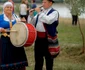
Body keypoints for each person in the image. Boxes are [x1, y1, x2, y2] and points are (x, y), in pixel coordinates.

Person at [29, 0, 59, 70]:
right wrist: (31, 15)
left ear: (50, 3)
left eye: (45, 2)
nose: (43, 4)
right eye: (42, 2)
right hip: (38, 39)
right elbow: (32, 24)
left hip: (48, 39)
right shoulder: (40, 11)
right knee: (38, 59)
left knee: (49, 60)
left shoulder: (54, 12)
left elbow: (48, 20)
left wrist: (39, 12)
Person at [0, 2, 28, 70]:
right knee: (7, 58)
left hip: (16, 40)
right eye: (7, 7)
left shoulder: (16, 17)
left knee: (17, 57)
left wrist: (23, 22)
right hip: (5, 40)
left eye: (11, 7)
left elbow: (20, 26)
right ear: (4, 8)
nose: (9, 8)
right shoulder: (1, 17)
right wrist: (0, 29)